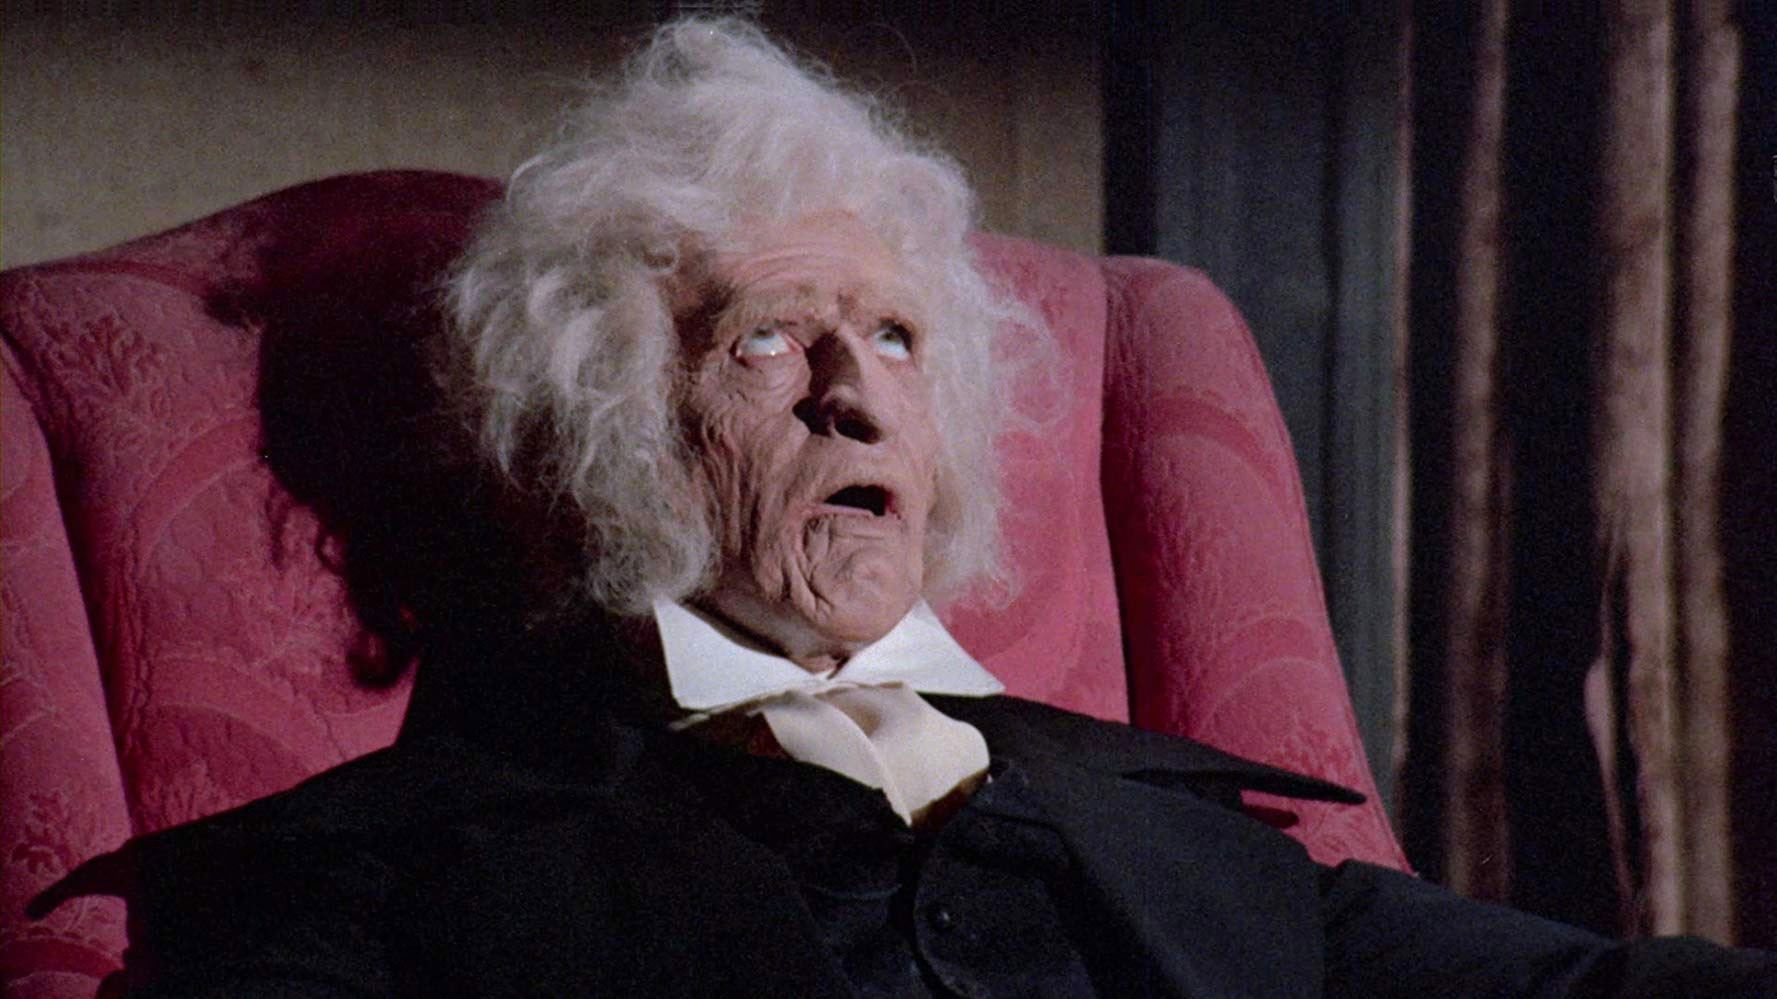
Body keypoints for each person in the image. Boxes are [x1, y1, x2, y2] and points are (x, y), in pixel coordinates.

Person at [32, 17, 1775, 996]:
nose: (856, 395)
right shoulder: (366, 883)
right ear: (608, 427)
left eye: (894, 338)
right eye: (767, 340)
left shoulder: (1173, 832)